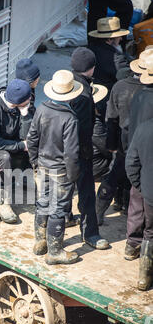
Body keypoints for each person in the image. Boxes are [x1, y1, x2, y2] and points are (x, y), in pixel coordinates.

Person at [27, 70, 82, 265]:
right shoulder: (70, 119)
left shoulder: (42, 108)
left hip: (42, 165)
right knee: (58, 209)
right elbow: (71, 153)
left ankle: (40, 242)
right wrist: (73, 175)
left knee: (43, 202)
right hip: (60, 170)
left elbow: (32, 137)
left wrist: (34, 160)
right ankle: (55, 252)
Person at [95, 49, 151, 226]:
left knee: (114, 175)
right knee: (135, 178)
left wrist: (111, 144)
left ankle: (99, 212)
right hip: (142, 144)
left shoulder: (119, 86)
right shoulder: (146, 91)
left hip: (121, 141)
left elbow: (111, 118)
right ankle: (126, 207)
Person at [70, 47, 109, 250]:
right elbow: (86, 130)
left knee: (62, 191)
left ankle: (66, 218)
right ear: (91, 69)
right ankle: (90, 233)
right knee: (86, 193)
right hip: (78, 152)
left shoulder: (65, 83)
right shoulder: (84, 94)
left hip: (57, 151)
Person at [0, 78, 32, 223]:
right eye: (28, 99)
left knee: (34, 147)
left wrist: (24, 116)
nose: (31, 99)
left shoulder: (23, 103)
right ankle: (3, 202)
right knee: (5, 157)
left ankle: (26, 180)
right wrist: (21, 145)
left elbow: (26, 136)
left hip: (11, 141)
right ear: (17, 102)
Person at [124, 53, 153, 259]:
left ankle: (131, 245)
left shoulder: (139, 95)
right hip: (148, 155)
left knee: (136, 204)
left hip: (135, 153)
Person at [125, 117, 153, 290]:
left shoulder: (144, 127)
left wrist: (141, 186)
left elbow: (131, 163)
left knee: (150, 233)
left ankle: (144, 277)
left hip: (149, 191)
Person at [15, 58, 40, 140]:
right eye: (36, 77)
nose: (38, 79)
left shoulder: (29, 88)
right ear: (31, 81)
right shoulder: (22, 94)